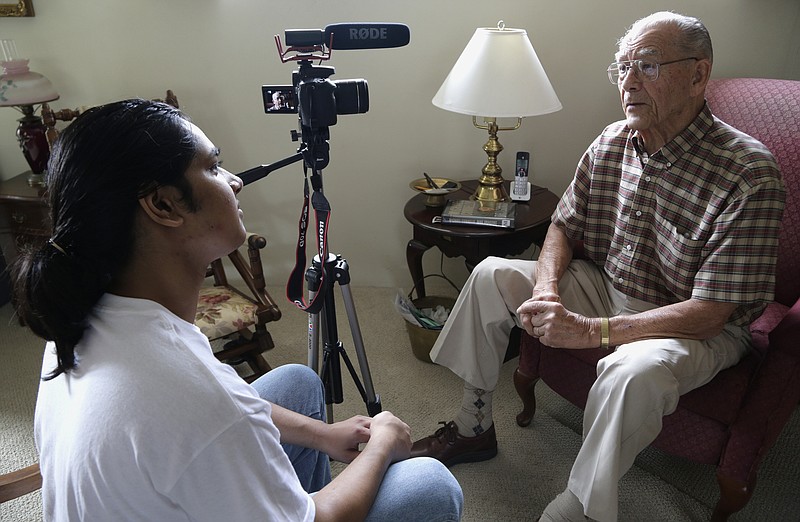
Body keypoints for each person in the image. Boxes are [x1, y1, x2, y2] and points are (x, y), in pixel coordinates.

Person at [410, 11, 785, 522]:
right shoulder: (612, 141)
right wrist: (545, 290)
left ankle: (583, 506)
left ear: (699, 75)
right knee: (491, 274)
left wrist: (592, 331)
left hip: (695, 327)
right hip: (609, 288)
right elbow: (563, 225)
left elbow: (712, 312)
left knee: (629, 371)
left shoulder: (748, 171)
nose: (628, 83)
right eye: (623, 68)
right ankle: (474, 424)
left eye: (648, 66)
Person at [12, 99, 463, 521]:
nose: (234, 179)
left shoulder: (82, 316)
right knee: (429, 485)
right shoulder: (190, 397)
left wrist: (324, 435)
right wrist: (383, 443)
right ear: (163, 204)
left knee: (299, 383)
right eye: (212, 166)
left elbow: (224, 406)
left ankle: (279, 492)